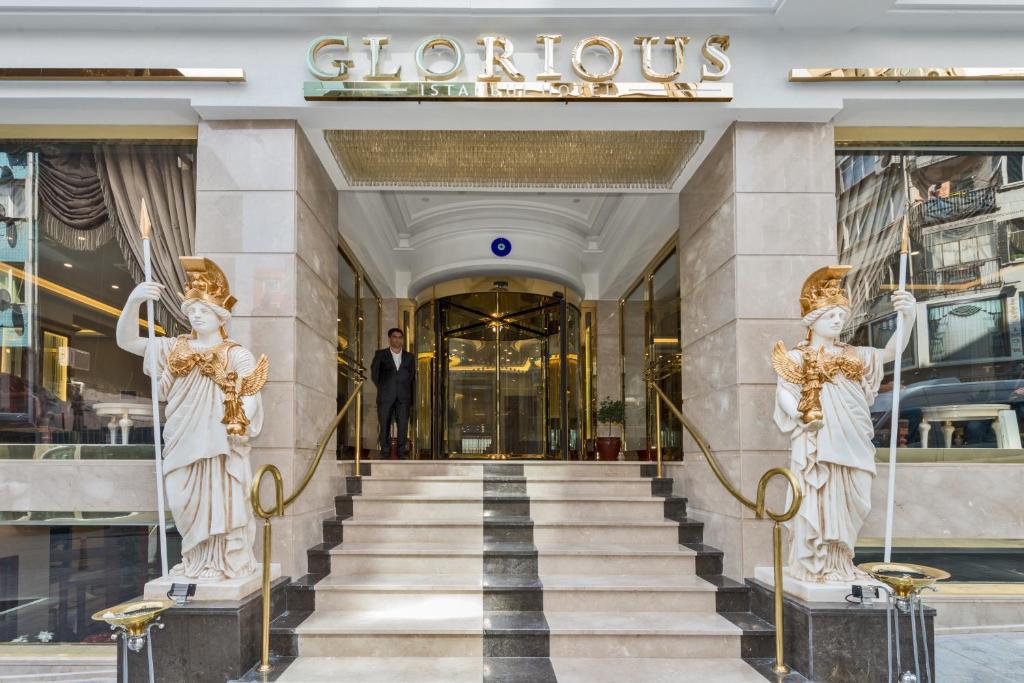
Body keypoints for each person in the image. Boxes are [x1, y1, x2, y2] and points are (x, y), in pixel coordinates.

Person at [116, 257, 267, 580]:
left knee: (220, 502)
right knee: (183, 498)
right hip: (182, 436)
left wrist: (238, 420)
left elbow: (251, 389)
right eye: (192, 311)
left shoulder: (235, 353)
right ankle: (196, 559)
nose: (196, 316)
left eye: (203, 311)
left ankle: (222, 561)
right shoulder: (174, 348)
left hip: (217, 438)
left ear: (219, 316)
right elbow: (127, 341)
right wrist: (134, 301)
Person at [772, 266, 916, 583]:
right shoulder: (799, 357)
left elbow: (893, 351)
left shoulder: (854, 354)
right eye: (830, 316)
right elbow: (785, 392)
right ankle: (819, 563)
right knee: (821, 496)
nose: (838, 321)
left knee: (857, 497)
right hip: (819, 438)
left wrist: (908, 316)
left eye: (841, 316)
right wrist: (799, 415)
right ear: (813, 321)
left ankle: (842, 561)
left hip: (853, 437)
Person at [371, 327, 414, 459]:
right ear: (390, 338)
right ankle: (385, 452)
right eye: (395, 337)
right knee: (384, 424)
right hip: (385, 396)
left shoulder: (409, 357)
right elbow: (375, 375)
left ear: (402, 340)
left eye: (400, 337)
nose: (397, 339)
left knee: (403, 425)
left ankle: (401, 452)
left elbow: (412, 376)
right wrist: (385, 388)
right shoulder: (380, 354)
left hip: (403, 397)